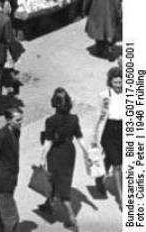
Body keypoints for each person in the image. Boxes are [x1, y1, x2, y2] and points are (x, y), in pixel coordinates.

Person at [37, 87, 89, 230]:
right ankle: (49, 204)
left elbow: (48, 143)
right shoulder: (74, 119)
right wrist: (87, 153)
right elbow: (80, 137)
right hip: (69, 152)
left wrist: (41, 159)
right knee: (61, 180)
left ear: (54, 103)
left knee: (59, 184)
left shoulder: (50, 121)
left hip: (55, 153)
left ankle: (72, 219)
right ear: (69, 103)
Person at [91, 65, 122, 200]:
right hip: (109, 131)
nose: (118, 85)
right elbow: (99, 117)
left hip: (123, 131)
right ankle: (120, 198)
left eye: (120, 82)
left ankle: (99, 178)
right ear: (110, 82)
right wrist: (94, 137)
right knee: (117, 165)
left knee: (110, 158)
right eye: (115, 82)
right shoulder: (104, 96)